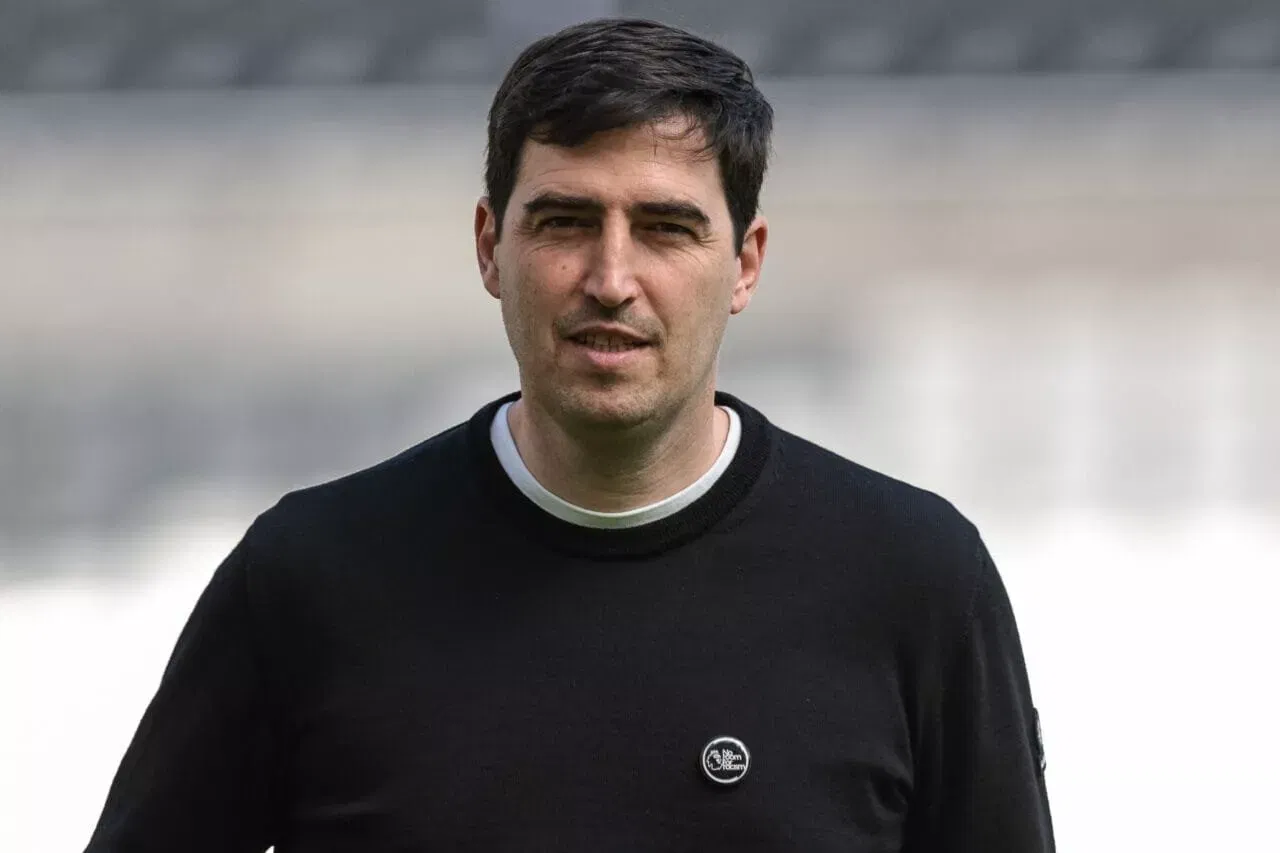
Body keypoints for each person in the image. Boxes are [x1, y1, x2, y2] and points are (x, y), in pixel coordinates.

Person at [84, 18, 1055, 853]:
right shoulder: (305, 581)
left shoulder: (914, 580)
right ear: (488, 247)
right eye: (564, 221)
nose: (611, 278)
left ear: (745, 263)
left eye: (666, 228)